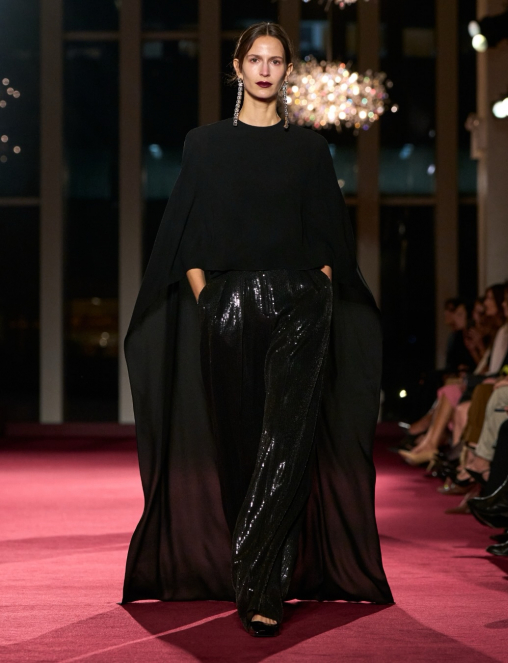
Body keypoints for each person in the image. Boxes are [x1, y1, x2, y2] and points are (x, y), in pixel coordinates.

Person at [121, 22, 393, 637]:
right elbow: (186, 233)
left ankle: (261, 586)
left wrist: (319, 289)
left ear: (288, 71)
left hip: (301, 303)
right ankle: (256, 569)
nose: (266, 70)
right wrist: (208, 299)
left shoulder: (309, 149)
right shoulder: (204, 144)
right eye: (256, 60)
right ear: (238, 68)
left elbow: (330, 236)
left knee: (288, 443)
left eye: (276, 61)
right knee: (240, 444)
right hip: (229, 304)